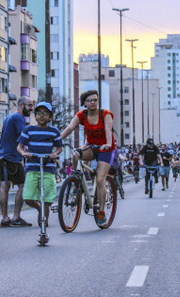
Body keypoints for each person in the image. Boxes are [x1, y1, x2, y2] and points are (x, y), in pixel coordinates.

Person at [60, 90, 120, 225]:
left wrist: (108, 143)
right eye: (90, 100)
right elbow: (70, 128)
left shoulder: (105, 114)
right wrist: (57, 139)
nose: (93, 102)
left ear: (98, 101)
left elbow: (108, 130)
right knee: (75, 154)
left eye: (95, 100)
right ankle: (74, 178)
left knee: (100, 180)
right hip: (91, 146)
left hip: (106, 149)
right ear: (84, 103)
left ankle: (102, 211)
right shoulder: (82, 115)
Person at [16, 102, 63, 229]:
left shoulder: (54, 131)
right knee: (28, 197)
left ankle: (44, 220)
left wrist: (54, 154)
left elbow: (59, 148)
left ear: (50, 117)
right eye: (39, 113)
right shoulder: (28, 130)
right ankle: (39, 208)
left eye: (45, 113)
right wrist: (25, 153)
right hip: (32, 167)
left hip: (48, 168)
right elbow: (19, 147)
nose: (42, 116)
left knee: (47, 198)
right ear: (35, 116)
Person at [0, 96, 34, 227]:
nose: (31, 108)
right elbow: (24, 137)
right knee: (23, 186)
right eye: (29, 105)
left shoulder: (9, 117)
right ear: (21, 105)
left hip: (2, 157)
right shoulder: (18, 118)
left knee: (4, 186)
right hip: (11, 157)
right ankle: (16, 217)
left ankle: (5, 218)